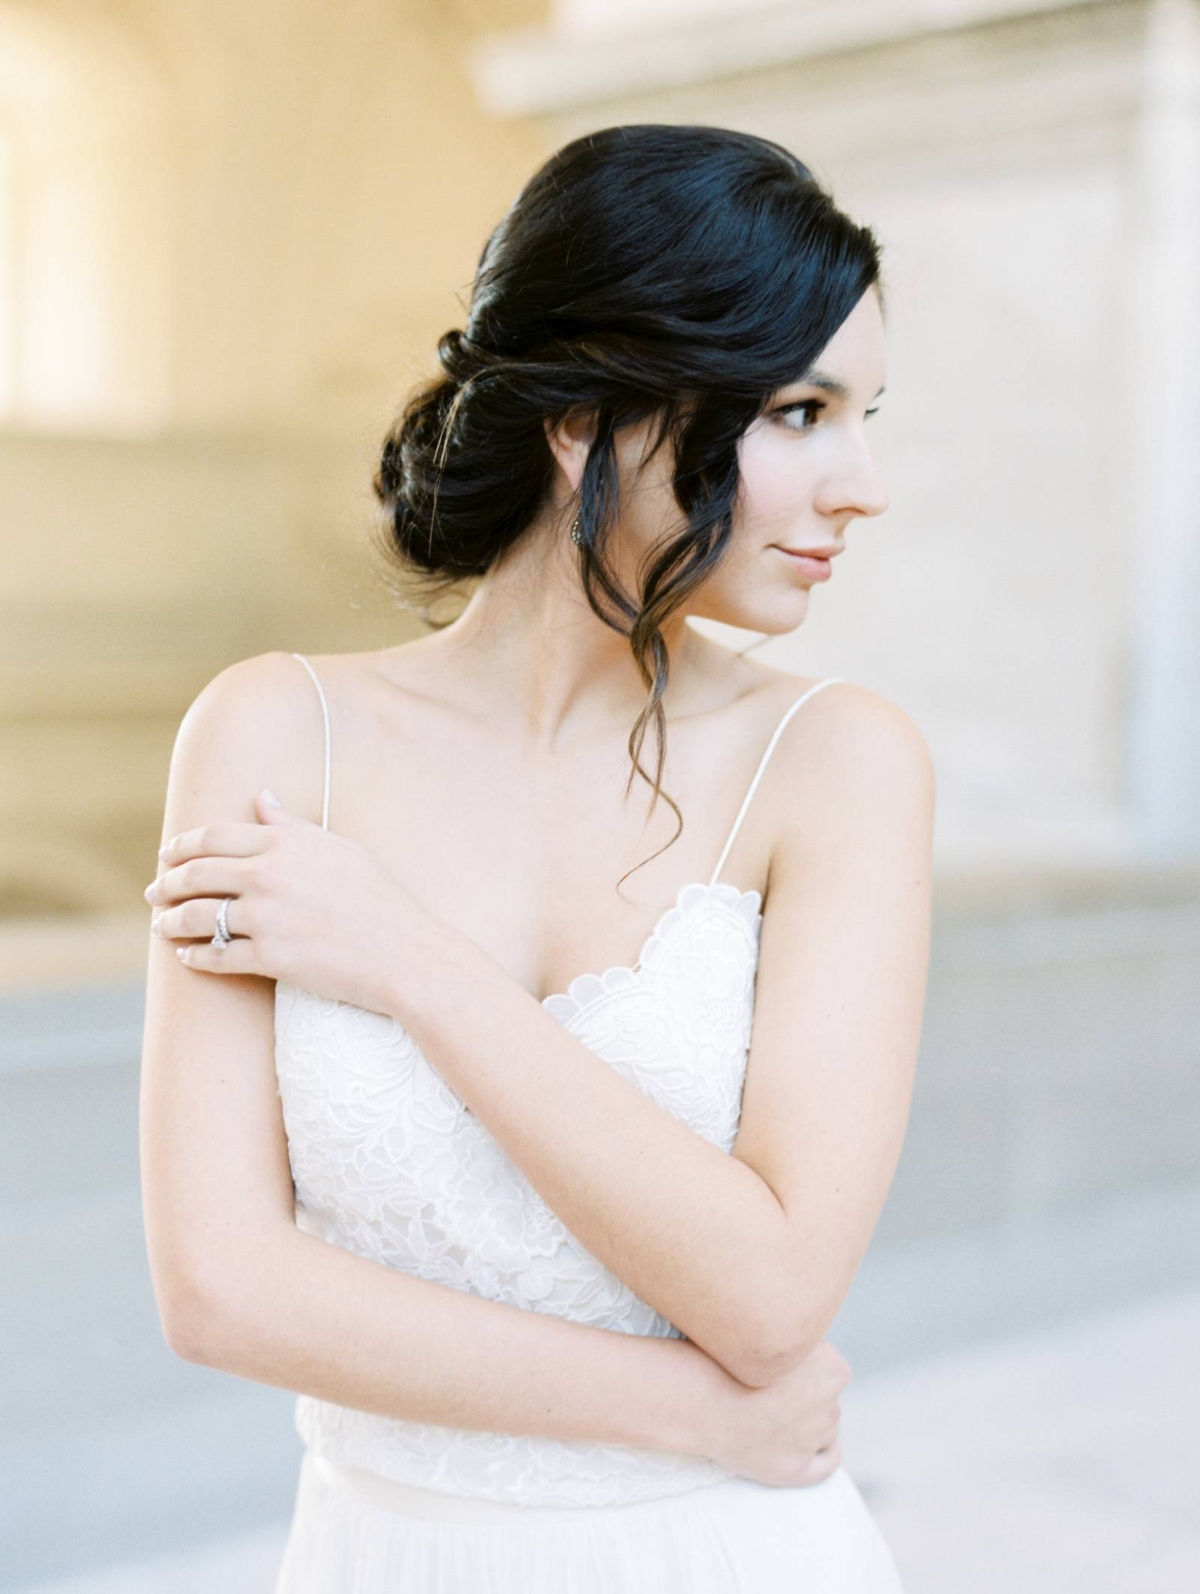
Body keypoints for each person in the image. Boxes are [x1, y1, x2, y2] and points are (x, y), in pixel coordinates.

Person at [139, 122, 933, 1591]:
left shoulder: (838, 764)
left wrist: (408, 959)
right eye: (803, 413)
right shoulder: (272, 732)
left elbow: (771, 1297)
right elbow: (219, 1285)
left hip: (729, 1551)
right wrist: (685, 1407)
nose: (862, 484)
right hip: (379, 1549)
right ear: (589, 416)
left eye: (864, 413)